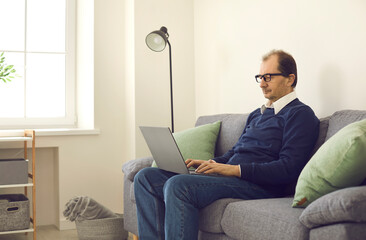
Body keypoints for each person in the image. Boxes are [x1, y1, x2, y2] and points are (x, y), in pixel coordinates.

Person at [134, 50, 319, 240]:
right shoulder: (258, 114)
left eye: (268, 77)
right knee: (145, 177)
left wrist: (234, 170)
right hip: (234, 178)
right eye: (260, 77)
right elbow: (235, 151)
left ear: (290, 79)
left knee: (179, 185)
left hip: (260, 185)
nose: (262, 83)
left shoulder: (300, 114)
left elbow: (288, 168)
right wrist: (212, 163)